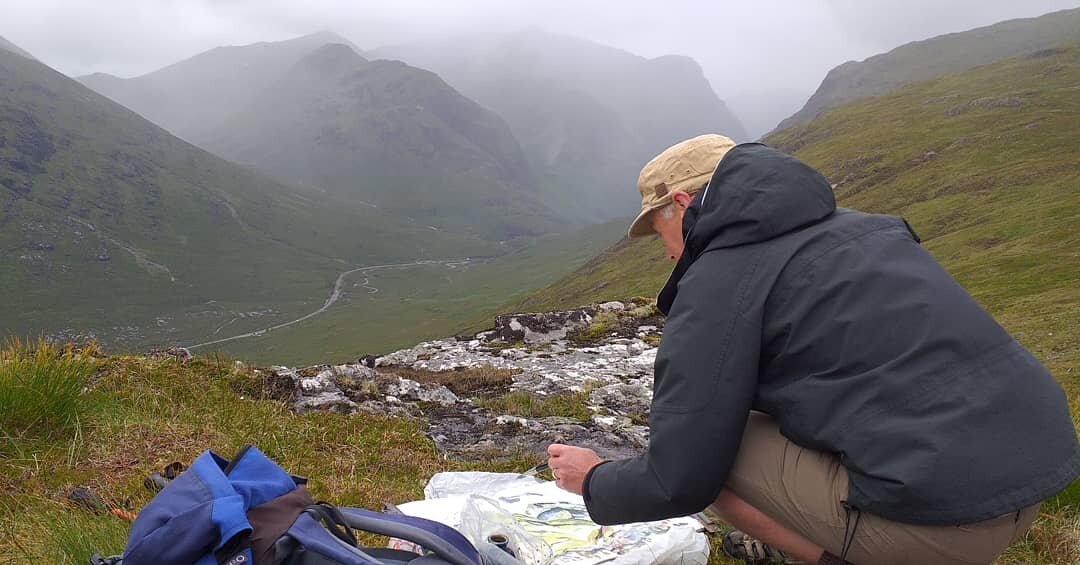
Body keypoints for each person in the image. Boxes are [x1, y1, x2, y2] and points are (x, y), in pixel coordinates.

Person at [545, 134, 1080, 564]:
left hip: (942, 529)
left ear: (683, 204)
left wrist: (594, 480)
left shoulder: (720, 281)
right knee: (740, 412)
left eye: (660, 229)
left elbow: (680, 479)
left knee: (713, 450)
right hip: (1029, 484)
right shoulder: (862, 229)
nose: (666, 253)